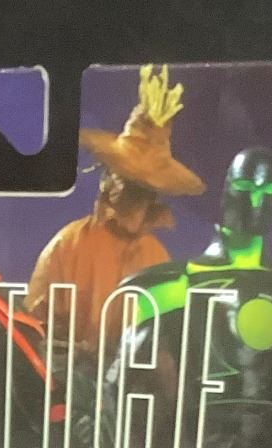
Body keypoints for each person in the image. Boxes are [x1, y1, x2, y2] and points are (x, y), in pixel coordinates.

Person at [26, 65, 204, 356]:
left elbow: (167, 343)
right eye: (127, 180)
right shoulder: (68, 246)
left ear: (155, 193)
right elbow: (30, 334)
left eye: (144, 187)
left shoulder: (157, 259)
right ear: (107, 179)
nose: (135, 196)